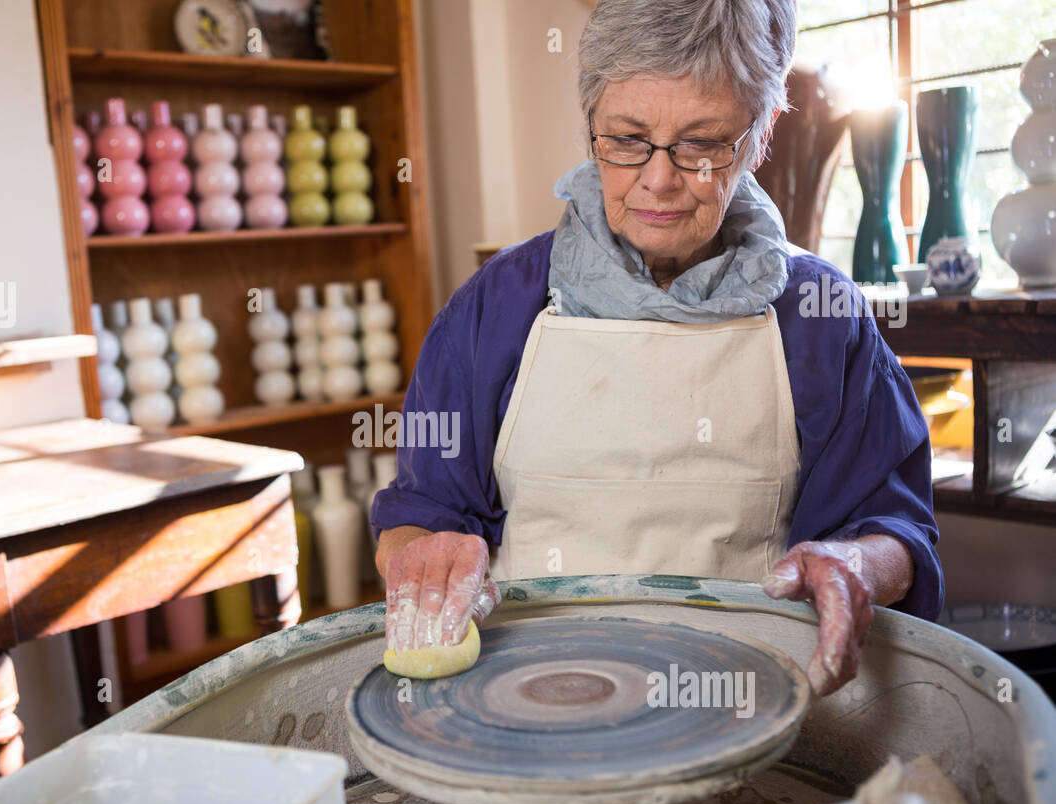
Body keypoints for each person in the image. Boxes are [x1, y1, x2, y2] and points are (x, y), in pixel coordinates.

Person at [370, 0, 943, 696]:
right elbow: (420, 514)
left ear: (759, 138)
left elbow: (895, 527)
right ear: (591, 130)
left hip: (748, 702)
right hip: (530, 703)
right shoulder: (496, 306)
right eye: (628, 138)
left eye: (702, 143)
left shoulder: (821, 317)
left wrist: (857, 564)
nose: (661, 178)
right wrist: (423, 556)